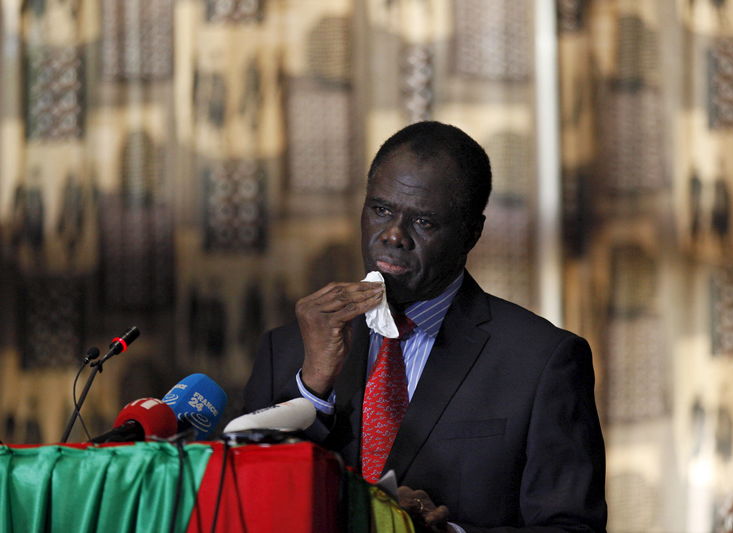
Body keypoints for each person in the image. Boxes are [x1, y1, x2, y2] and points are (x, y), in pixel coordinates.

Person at [244, 121, 607, 532]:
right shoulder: (288, 347)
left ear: (472, 233)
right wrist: (313, 385)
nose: (394, 235)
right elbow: (244, 501)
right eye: (381, 210)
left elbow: (574, 527)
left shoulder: (541, 361)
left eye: (424, 223)